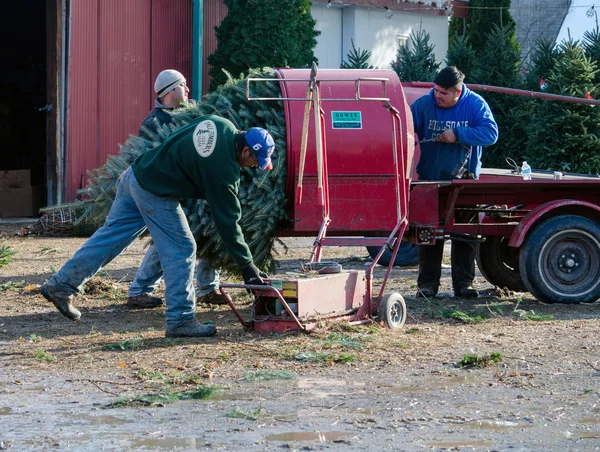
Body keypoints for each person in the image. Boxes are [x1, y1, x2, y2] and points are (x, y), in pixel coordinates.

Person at [40, 117, 275, 338]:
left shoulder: (218, 123)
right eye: (255, 161)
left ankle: (61, 285)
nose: (253, 167)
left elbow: (180, 143)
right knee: (182, 248)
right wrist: (247, 266)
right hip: (154, 191)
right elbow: (228, 222)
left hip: (135, 174)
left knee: (109, 239)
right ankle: (181, 319)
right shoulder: (223, 169)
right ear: (245, 151)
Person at [125, 69, 225, 310]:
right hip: (171, 192)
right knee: (168, 241)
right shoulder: (154, 123)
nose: (188, 90)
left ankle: (208, 288)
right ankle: (139, 290)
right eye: (183, 85)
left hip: (196, 187)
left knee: (211, 231)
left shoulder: (194, 111)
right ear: (171, 90)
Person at [410, 66, 498, 299]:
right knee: (428, 233)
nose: (437, 95)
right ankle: (427, 284)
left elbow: (491, 134)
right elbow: (405, 128)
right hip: (429, 180)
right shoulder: (424, 104)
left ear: (458, 93)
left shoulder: (475, 105)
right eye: (436, 90)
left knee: (465, 234)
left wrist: (457, 134)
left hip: (464, 182)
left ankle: (463, 284)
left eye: (443, 93)